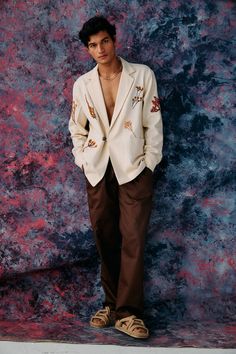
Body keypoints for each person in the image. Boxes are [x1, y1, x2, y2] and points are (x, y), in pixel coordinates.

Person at [69, 15, 163, 339]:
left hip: (134, 167)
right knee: (105, 236)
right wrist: (82, 158)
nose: (100, 49)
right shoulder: (82, 85)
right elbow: (75, 127)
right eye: (93, 45)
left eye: (104, 41)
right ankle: (111, 305)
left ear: (114, 40)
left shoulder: (142, 76)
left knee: (133, 238)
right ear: (88, 50)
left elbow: (153, 121)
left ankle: (129, 313)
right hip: (97, 168)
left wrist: (150, 163)